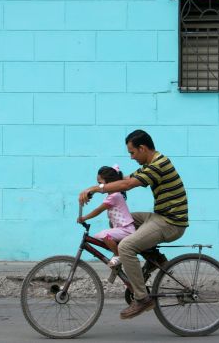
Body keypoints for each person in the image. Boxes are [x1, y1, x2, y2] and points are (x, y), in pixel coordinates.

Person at [79, 129, 188, 320]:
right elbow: (125, 179)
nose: (131, 157)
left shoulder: (158, 165)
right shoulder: (151, 163)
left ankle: (142, 298)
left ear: (143, 148)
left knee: (126, 246)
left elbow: (127, 185)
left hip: (171, 223)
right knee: (122, 219)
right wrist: (103, 182)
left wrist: (96, 189)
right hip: (161, 216)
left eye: (132, 152)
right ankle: (156, 259)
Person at [77, 165, 135, 268]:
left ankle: (118, 255)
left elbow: (98, 210)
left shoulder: (114, 196)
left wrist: (84, 218)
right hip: (122, 229)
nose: (99, 187)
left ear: (109, 183)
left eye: (100, 184)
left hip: (126, 230)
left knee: (104, 235)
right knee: (97, 237)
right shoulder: (113, 195)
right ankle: (117, 253)